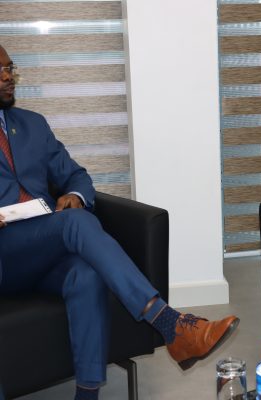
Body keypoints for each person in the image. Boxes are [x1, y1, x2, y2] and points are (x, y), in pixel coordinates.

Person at [0, 44, 239, 400]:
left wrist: (75, 195)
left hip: (42, 244)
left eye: (10, 68)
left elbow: (76, 176)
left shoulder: (32, 124)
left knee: (86, 273)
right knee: (75, 224)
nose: (8, 77)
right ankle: (169, 324)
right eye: (0, 71)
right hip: (6, 254)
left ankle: (87, 394)